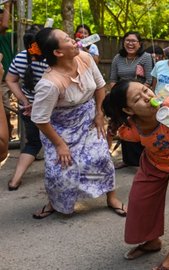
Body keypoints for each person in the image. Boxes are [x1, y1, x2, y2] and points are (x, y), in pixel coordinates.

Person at [30, 27, 125, 219]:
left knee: (102, 158)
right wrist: (60, 145)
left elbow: (100, 87)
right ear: (58, 52)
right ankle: (55, 202)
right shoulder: (49, 84)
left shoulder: (85, 57)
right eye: (67, 39)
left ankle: (111, 197)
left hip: (89, 119)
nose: (75, 40)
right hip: (59, 130)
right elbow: (40, 119)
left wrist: (99, 113)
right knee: (60, 172)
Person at [105, 80, 169, 270]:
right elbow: (117, 132)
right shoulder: (131, 128)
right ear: (129, 111)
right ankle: (152, 241)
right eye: (138, 98)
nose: (147, 97)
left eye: (146, 90)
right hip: (154, 162)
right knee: (140, 200)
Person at [5, 25, 48, 190]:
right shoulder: (51, 60)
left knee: (33, 143)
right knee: (59, 143)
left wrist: (24, 101)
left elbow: (10, 80)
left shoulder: (20, 57)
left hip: (29, 110)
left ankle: (15, 180)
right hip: (51, 111)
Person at [109, 31, 153, 169]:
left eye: (134, 41)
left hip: (139, 98)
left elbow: (149, 80)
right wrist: (118, 98)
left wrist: (138, 94)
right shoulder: (118, 58)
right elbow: (112, 79)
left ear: (139, 44)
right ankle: (127, 160)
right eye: (127, 40)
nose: (130, 43)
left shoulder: (145, 57)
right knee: (123, 127)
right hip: (123, 99)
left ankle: (144, 160)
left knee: (139, 128)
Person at [0, 1, 14, 141]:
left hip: (14, 78)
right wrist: (7, 5)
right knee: (5, 109)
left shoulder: (10, 36)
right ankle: (7, 134)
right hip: (2, 80)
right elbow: (5, 24)